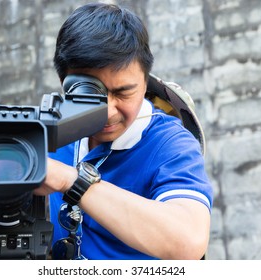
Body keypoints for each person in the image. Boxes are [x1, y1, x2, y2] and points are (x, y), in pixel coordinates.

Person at [34, 2, 213, 260]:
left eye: (123, 93)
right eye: (91, 94)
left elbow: (189, 240)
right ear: (65, 83)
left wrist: (72, 181)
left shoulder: (170, 144)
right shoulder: (47, 133)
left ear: (145, 82)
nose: (108, 112)